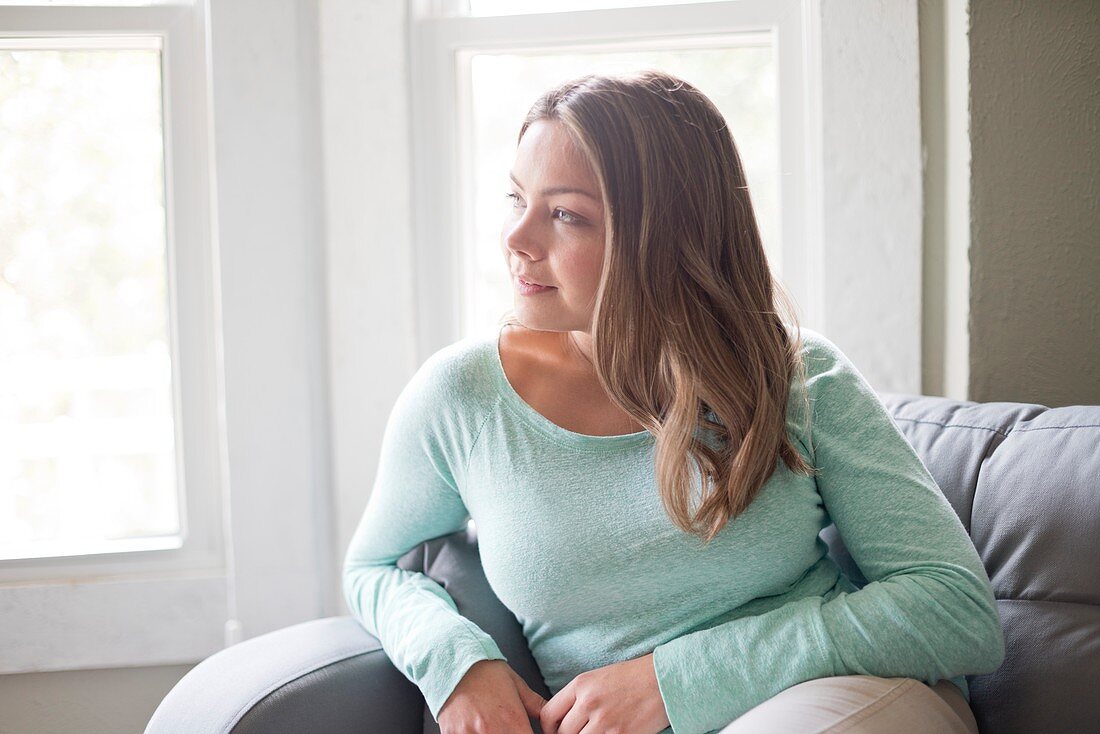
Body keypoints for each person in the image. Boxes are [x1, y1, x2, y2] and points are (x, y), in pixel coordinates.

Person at [342, 70, 1004, 734]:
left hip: (844, 702)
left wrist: (678, 680)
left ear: (665, 234)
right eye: (516, 198)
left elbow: (953, 610)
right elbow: (372, 568)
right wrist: (455, 663)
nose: (517, 237)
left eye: (565, 214)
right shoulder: (460, 397)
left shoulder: (798, 377)